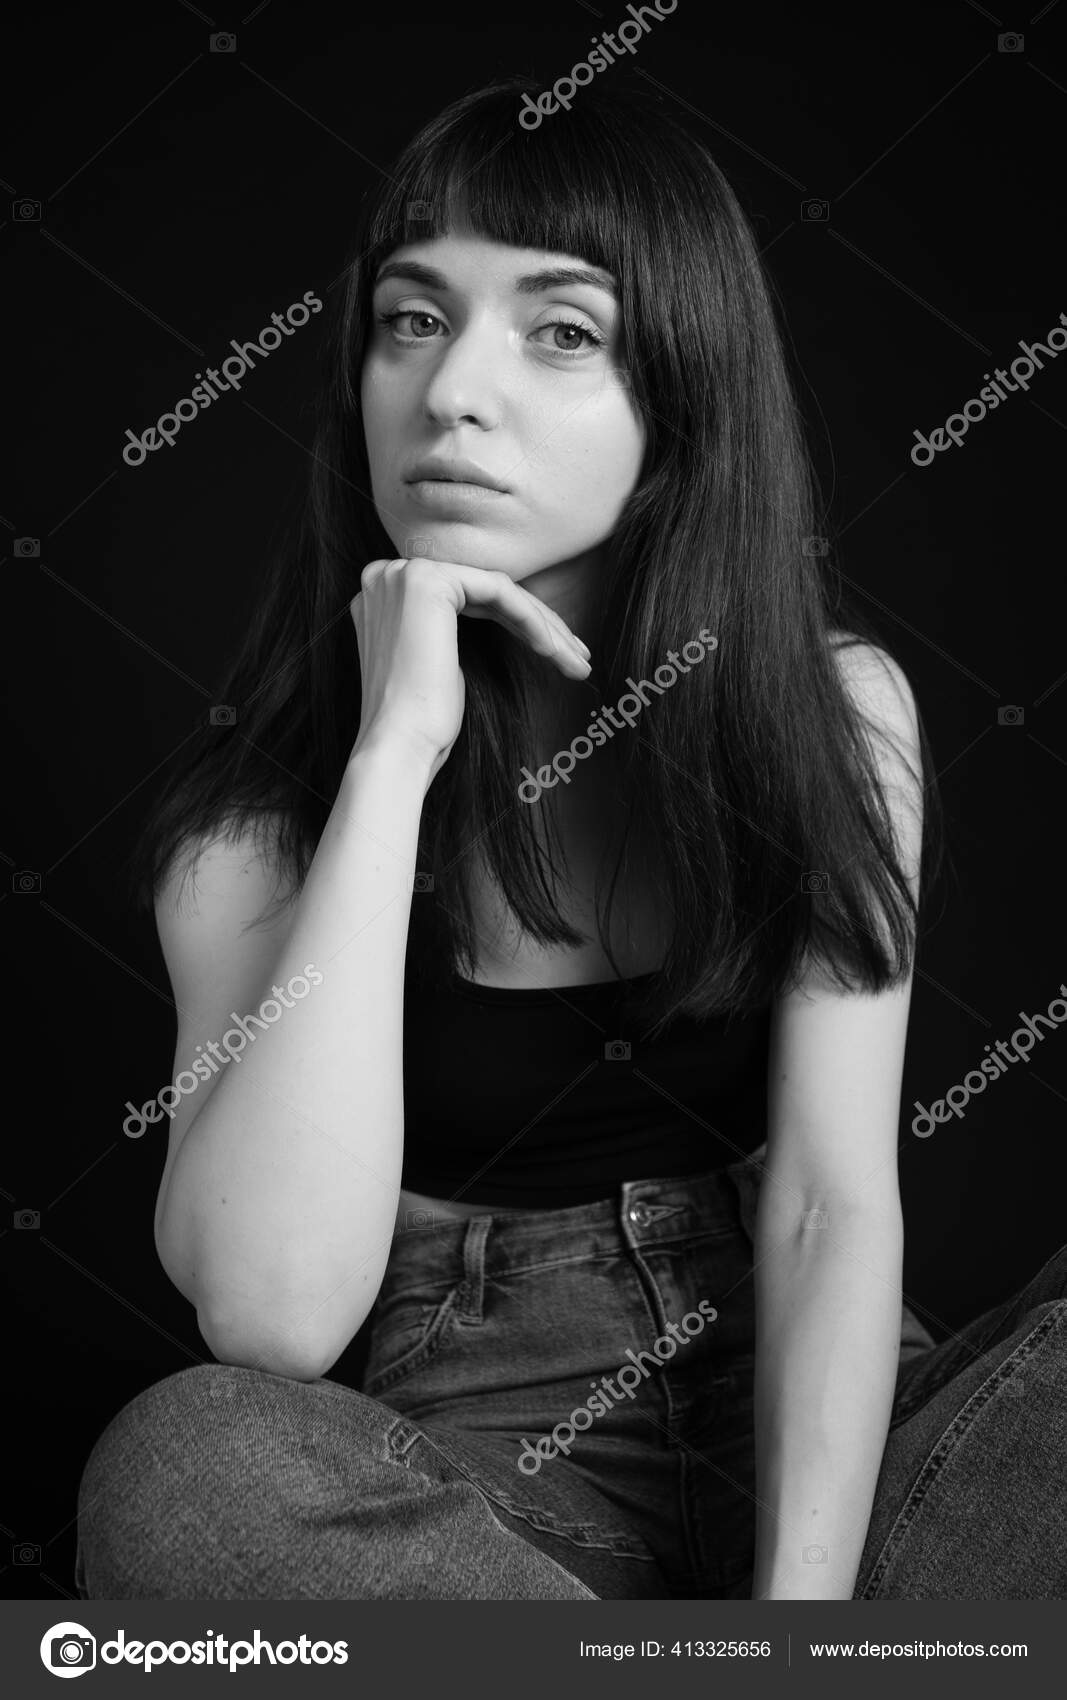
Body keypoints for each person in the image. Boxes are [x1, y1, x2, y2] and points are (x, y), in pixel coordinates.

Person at [75, 74, 1067, 1601]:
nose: (452, 392)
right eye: (413, 319)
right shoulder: (252, 830)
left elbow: (828, 1207)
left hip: (845, 1464)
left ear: (679, 400)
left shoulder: (832, 709)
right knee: (184, 1464)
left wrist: (798, 1636)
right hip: (492, 1502)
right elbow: (272, 1318)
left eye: (560, 332)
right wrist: (392, 759)